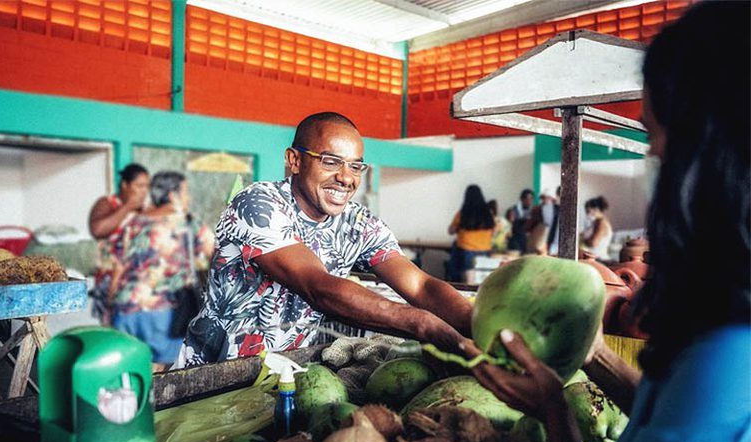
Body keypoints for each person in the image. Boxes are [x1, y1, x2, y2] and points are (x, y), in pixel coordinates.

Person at [465, 2, 750, 442]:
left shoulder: (728, 357)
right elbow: (668, 414)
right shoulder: (724, 320)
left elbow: (698, 406)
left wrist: (553, 412)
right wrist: (594, 353)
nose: (654, 153)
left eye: (660, 137)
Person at [176, 112, 471, 367]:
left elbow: (420, 285)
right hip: (213, 376)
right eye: (331, 162)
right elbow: (317, 286)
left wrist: (478, 323)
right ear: (294, 160)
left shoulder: (357, 223)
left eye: (355, 166)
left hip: (288, 372)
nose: (346, 178)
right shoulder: (258, 204)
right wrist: (422, 323)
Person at [112, 171, 214, 368]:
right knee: (159, 371)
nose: (188, 198)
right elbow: (217, 256)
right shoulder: (188, 223)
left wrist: (111, 305)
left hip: (126, 308)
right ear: (172, 195)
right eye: (185, 192)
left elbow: (118, 267)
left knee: (131, 368)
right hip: (162, 313)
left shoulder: (132, 222)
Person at [88, 163, 149, 326]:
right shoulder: (107, 203)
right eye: (139, 185)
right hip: (109, 280)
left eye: (146, 186)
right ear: (125, 185)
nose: (144, 191)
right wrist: (128, 207)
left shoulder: (144, 211)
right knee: (113, 327)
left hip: (136, 281)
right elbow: (98, 230)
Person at [446, 185, 495, 283]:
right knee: (482, 281)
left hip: (466, 251)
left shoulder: (462, 213)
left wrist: (458, 228)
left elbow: (450, 231)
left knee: (468, 282)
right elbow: (493, 232)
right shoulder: (488, 214)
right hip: (485, 251)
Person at [525, 188, 559, 256]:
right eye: (544, 198)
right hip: (541, 237)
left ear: (552, 199)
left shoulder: (558, 209)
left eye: (548, 198)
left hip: (554, 238)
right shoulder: (537, 209)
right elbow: (531, 224)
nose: (546, 200)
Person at [581, 196, 612, 260]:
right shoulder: (595, 223)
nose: (587, 214)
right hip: (592, 256)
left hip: (598, 258)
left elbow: (593, 243)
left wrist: (581, 240)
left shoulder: (601, 223)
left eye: (588, 211)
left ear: (596, 210)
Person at [505, 189, 533, 253]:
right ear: (521, 199)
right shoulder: (512, 210)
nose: (529, 201)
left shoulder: (533, 211)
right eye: (527, 199)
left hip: (527, 242)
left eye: (531, 199)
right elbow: (508, 227)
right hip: (514, 242)